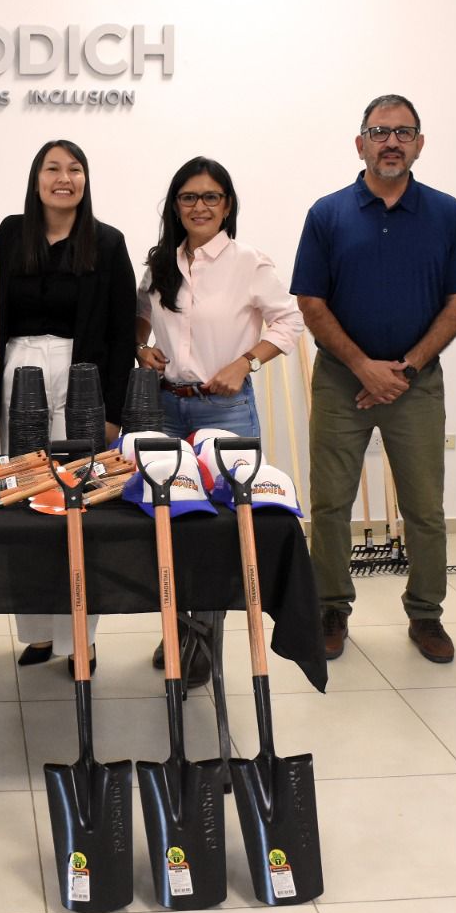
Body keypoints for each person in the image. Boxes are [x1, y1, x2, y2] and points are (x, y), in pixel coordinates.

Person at [291, 94, 456, 665]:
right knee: (330, 504)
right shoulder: (327, 214)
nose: (391, 142)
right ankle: (331, 609)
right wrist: (363, 367)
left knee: (424, 508)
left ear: (420, 144)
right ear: (361, 144)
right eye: (379, 132)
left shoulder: (446, 213)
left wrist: (407, 367)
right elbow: (311, 302)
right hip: (340, 381)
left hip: (415, 384)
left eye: (403, 132)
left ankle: (426, 613)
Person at [136, 156, 303, 686]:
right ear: (175, 206)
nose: (200, 206)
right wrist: (141, 348)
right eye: (189, 197)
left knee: (219, 532)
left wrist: (245, 362)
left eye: (211, 197)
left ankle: (203, 641)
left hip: (225, 408)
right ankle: (178, 627)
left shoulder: (249, 261)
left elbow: (289, 321)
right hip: (165, 407)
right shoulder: (161, 263)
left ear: (227, 205)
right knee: (169, 522)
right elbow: (141, 315)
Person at [0, 140, 135, 671]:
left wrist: (112, 410)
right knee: (26, 495)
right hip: (19, 371)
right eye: (52, 168)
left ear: (85, 180)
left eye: (75, 169)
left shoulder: (107, 242)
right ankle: (36, 633)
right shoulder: (11, 234)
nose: (64, 177)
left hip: (81, 376)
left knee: (78, 498)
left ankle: (80, 639)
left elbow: (121, 332)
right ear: (36, 180)